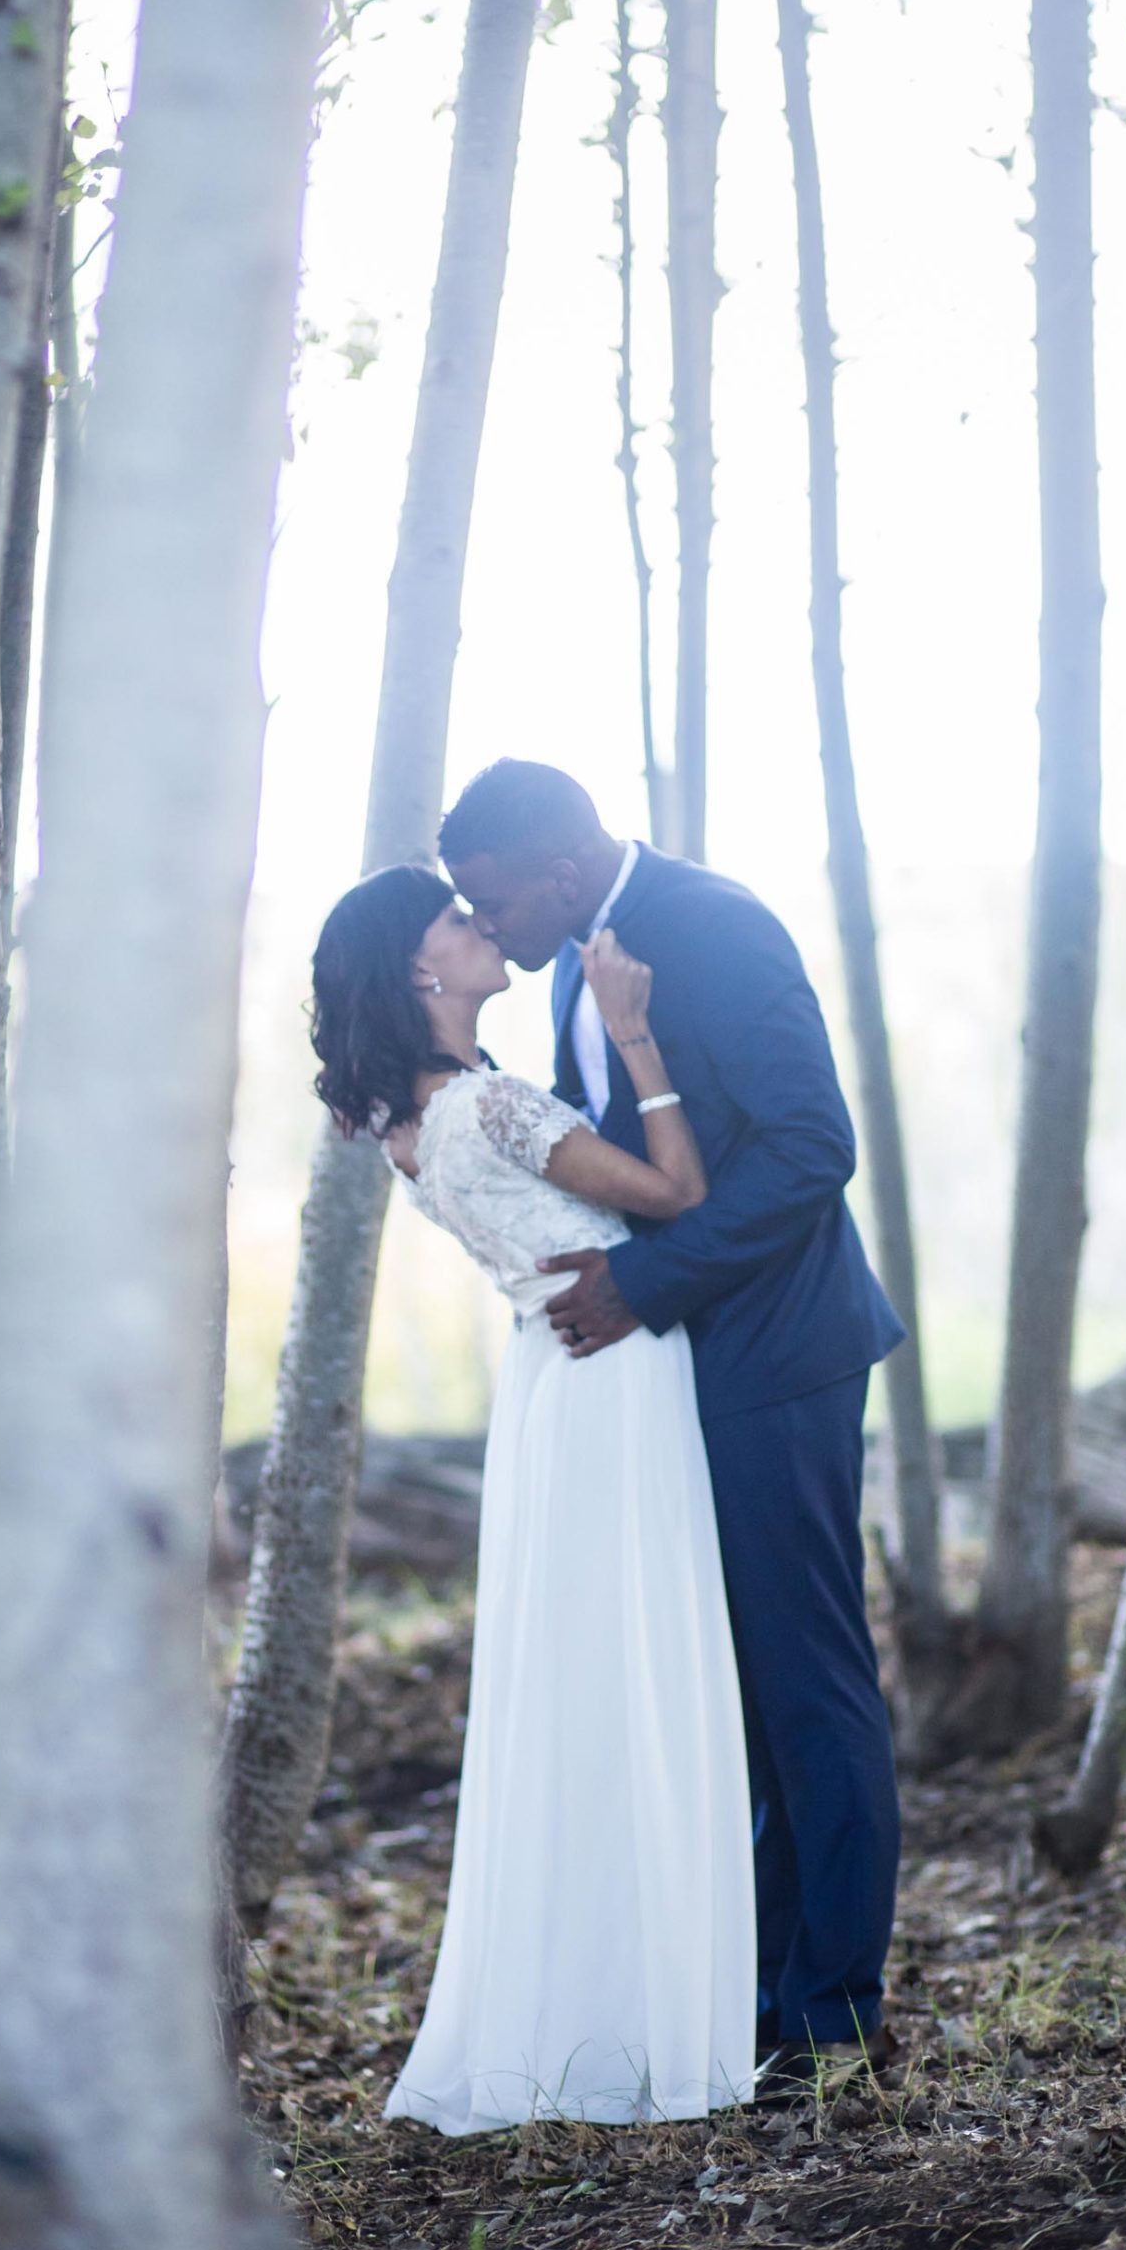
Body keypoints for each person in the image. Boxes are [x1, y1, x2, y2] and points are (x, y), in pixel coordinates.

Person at [438, 758, 904, 2093]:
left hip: (780, 1357)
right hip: (690, 1373)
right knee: (738, 1697)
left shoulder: (713, 929)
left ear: (565, 869)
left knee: (808, 1686)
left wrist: (643, 1286)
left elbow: (811, 1147)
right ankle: (754, 1995)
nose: (500, 938)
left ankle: (834, 2022)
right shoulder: (589, 960)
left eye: (497, 901)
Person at [308, 862, 759, 2135]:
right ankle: (646, 2015)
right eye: (457, 917)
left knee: (582, 1687)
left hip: (555, 1387)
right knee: (636, 1671)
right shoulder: (490, 1104)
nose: (480, 922)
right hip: (613, 1376)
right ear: (419, 967)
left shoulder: (406, 1126)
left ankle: (587, 2009)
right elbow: (676, 1195)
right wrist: (631, 1032)